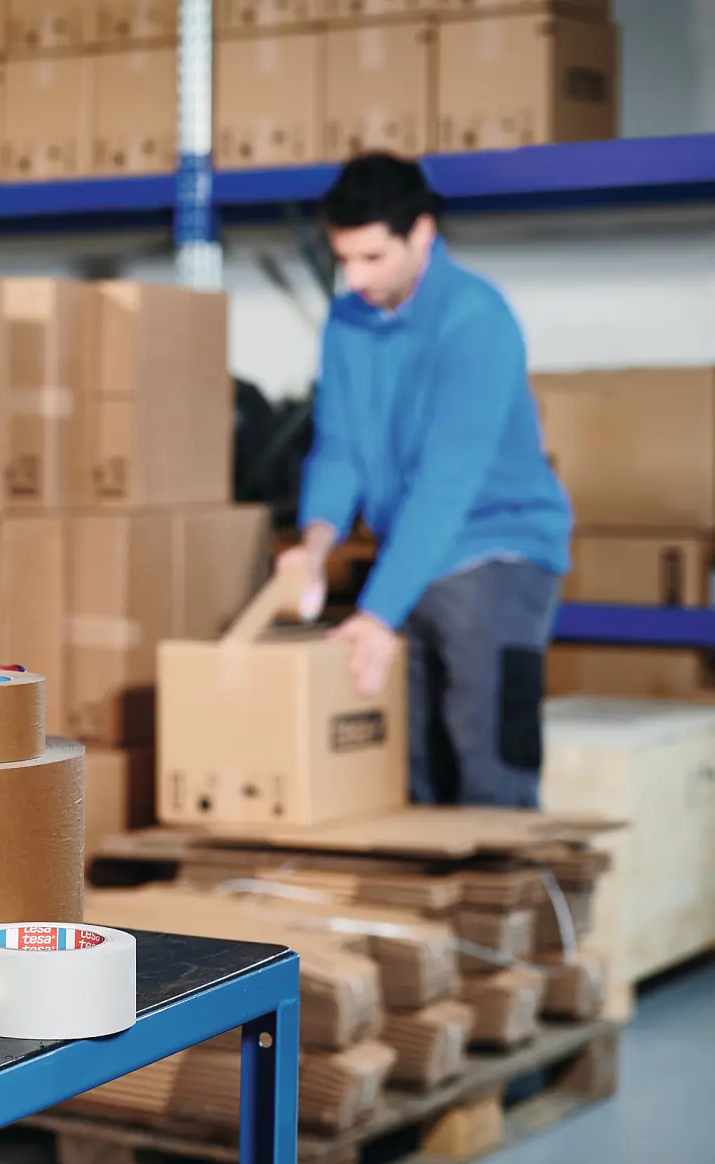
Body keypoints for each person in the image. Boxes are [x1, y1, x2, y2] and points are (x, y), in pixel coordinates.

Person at [278, 153, 573, 809]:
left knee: (487, 760)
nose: (355, 278)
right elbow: (338, 449)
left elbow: (447, 483)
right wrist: (316, 545)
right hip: (411, 550)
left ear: (421, 233)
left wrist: (378, 612)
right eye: (343, 259)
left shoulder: (476, 319)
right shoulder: (348, 321)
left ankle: (509, 870)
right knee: (407, 766)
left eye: (372, 258)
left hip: (496, 549)